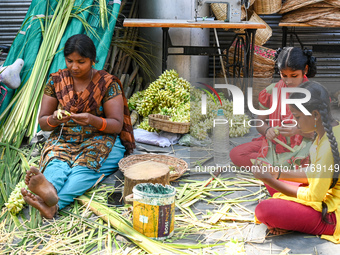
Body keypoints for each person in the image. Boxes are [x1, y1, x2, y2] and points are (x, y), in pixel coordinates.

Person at [21, 34, 135, 218]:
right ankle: (48, 192)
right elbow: (43, 121)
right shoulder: (56, 81)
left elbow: (116, 125)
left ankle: (52, 202)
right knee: (57, 164)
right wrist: (55, 120)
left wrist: (92, 119)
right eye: (69, 61)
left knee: (83, 169)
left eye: (81, 61)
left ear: (92, 60)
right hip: (65, 138)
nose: (74, 67)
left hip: (101, 139)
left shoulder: (107, 84)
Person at [253, 81, 340, 243]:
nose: (295, 121)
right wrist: (276, 173)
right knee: (272, 181)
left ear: (315, 115)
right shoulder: (327, 130)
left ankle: (322, 226)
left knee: (264, 210)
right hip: (323, 192)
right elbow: (314, 173)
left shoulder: (327, 147)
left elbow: (315, 196)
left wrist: (269, 178)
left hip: (333, 214)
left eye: (297, 116)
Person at [230, 47, 317, 168]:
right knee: (237, 154)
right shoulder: (271, 91)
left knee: (322, 158)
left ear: (305, 70)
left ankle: (276, 166)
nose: (288, 81)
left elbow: (321, 131)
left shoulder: (316, 93)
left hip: (305, 145)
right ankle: (286, 167)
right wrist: (267, 130)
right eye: (284, 75)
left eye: (294, 75)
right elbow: (260, 122)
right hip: (275, 144)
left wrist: (297, 130)